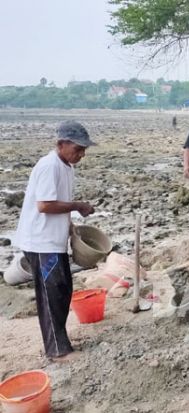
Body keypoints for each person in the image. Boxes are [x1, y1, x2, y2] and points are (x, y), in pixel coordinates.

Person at [14, 121, 96, 361]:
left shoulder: (67, 167)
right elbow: (45, 205)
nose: (81, 154)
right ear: (61, 144)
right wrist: (78, 206)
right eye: (78, 149)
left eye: (83, 150)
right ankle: (57, 350)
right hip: (40, 242)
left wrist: (70, 227)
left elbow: (58, 203)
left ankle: (59, 341)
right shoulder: (49, 166)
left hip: (53, 240)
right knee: (51, 295)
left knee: (62, 289)